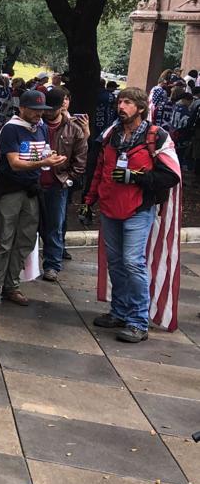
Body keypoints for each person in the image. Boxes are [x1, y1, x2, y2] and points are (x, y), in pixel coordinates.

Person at [84, 87, 182, 342]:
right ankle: (119, 311)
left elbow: (171, 175)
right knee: (116, 262)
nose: (121, 106)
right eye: (119, 101)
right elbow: (99, 169)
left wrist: (137, 178)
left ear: (140, 108)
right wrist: (88, 201)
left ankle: (138, 321)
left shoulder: (156, 137)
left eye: (127, 102)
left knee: (132, 262)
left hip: (138, 209)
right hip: (110, 206)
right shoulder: (110, 135)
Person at [0, 90, 66, 306]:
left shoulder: (40, 127)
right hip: (11, 188)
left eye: (41, 110)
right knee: (4, 238)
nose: (38, 114)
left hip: (32, 189)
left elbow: (41, 152)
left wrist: (50, 158)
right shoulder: (12, 129)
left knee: (25, 240)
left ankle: (11, 285)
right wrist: (44, 164)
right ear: (22, 108)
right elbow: (14, 163)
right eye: (34, 110)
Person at [37, 87, 87, 281]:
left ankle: (52, 265)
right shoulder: (36, 124)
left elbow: (80, 160)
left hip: (57, 185)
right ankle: (25, 263)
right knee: (28, 225)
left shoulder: (74, 129)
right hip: (34, 182)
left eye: (51, 109)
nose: (47, 112)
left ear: (61, 107)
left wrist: (68, 179)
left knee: (54, 226)